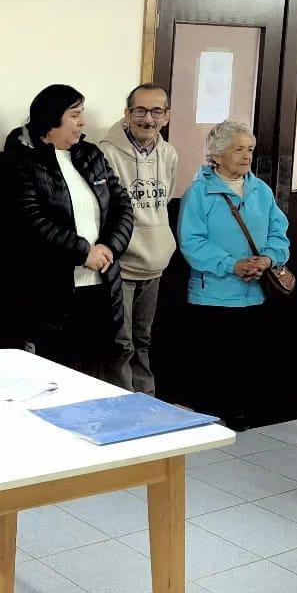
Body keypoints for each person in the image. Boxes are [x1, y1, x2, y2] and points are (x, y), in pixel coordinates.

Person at [0, 84, 133, 381]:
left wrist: (109, 247)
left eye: (83, 114)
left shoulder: (91, 155)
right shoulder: (21, 163)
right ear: (51, 119)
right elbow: (30, 220)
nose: (83, 122)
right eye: (75, 115)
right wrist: (83, 252)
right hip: (50, 291)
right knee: (54, 376)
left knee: (95, 372)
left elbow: (122, 205)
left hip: (100, 284)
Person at [176, 120, 290, 428]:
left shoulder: (261, 190)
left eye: (250, 149)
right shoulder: (199, 192)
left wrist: (267, 259)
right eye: (238, 149)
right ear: (217, 153)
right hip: (212, 292)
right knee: (214, 358)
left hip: (255, 293)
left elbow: (280, 233)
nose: (246, 156)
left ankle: (241, 410)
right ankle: (209, 412)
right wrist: (232, 264)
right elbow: (191, 241)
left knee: (248, 358)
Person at [97, 82, 179, 394]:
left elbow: (164, 200)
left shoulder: (169, 154)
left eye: (156, 111)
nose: (148, 118)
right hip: (122, 263)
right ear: (127, 113)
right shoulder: (106, 152)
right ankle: (120, 406)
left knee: (143, 340)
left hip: (155, 263)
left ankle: (146, 402)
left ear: (166, 116)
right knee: (121, 341)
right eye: (140, 110)